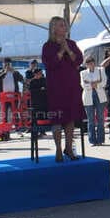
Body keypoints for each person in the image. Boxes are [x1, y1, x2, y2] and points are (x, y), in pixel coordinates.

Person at [42, 17, 83, 162]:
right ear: (54, 28)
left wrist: (68, 50)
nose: (64, 27)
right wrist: (61, 51)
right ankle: (58, 148)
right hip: (56, 88)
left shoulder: (72, 43)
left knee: (70, 118)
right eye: (61, 25)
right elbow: (49, 64)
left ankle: (68, 148)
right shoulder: (48, 46)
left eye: (65, 25)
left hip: (71, 86)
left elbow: (79, 60)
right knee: (57, 119)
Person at [80, 55, 107, 146]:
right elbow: (83, 85)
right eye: (88, 63)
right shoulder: (83, 73)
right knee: (91, 120)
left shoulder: (100, 70)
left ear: (94, 63)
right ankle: (92, 140)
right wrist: (95, 83)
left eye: (92, 62)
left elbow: (104, 82)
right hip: (88, 97)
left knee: (100, 119)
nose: (90, 64)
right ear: (86, 65)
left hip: (100, 96)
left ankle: (100, 140)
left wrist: (96, 84)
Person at [0, 58, 24, 126]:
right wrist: (5, 72)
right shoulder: (0, 72)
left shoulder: (15, 72)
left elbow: (21, 79)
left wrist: (14, 72)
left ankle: (17, 126)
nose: (7, 66)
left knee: (15, 112)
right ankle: (5, 127)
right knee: (4, 112)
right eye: (5, 64)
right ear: (3, 64)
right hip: (4, 97)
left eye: (8, 64)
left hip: (14, 96)